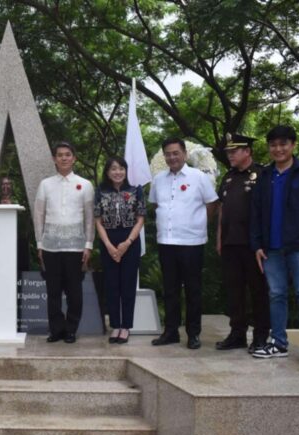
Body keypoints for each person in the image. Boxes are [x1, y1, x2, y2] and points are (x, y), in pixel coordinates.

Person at [250, 125, 299, 365]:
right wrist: (257, 244)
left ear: (293, 145)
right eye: (273, 145)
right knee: (276, 295)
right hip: (271, 249)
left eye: (283, 144)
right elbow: (256, 212)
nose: (278, 149)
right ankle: (279, 343)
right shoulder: (264, 175)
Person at [148, 137, 219, 350]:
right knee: (169, 289)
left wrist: (200, 224)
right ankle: (170, 332)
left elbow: (212, 203)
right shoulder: (158, 179)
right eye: (168, 154)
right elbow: (155, 206)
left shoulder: (199, 177)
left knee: (193, 289)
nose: (172, 157)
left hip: (192, 242)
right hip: (166, 241)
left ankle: (193, 333)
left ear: (184, 154)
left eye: (176, 153)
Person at [33, 142, 94, 344]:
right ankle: (56, 329)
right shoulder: (45, 184)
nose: (64, 158)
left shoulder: (85, 184)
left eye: (68, 154)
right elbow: (39, 215)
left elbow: (89, 217)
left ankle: (70, 329)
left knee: (75, 292)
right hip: (50, 246)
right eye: (60, 155)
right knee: (53, 292)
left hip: (76, 247)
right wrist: (39, 244)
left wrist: (88, 245)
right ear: (54, 159)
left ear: (74, 158)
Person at [214, 134, 270, 353]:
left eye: (234, 151)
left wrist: (264, 243)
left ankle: (260, 336)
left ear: (247, 151)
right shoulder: (228, 177)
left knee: (258, 291)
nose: (230, 155)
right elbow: (222, 210)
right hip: (230, 243)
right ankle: (237, 334)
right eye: (228, 152)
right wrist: (219, 239)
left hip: (254, 245)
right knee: (234, 291)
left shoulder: (262, 174)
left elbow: (268, 211)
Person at [94, 157, 145, 344]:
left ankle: (126, 326)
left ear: (126, 171)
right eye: (114, 168)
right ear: (107, 172)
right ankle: (115, 325)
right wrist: (108, 245)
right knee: (112, 285)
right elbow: (97, 220)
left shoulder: (135, 190)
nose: (118, 172)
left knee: (128, 285)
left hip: (130, 240)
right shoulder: (100, 191)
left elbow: (140, 219)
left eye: (121, 168)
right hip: (108, 239)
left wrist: (127, 243)